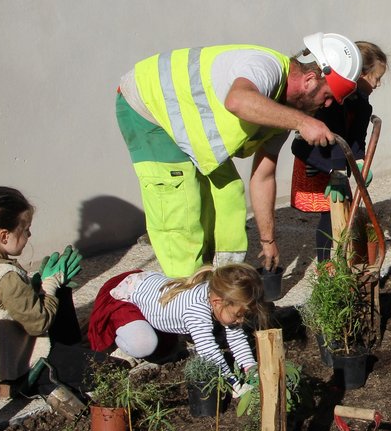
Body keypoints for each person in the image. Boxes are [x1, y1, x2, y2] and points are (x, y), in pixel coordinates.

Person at [115, 34, 363, 278]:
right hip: (148, 107)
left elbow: (263, 177)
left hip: (184, 123)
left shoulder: (283, 115)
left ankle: (224, 284)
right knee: (182, 209)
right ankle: (188, 296)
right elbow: (238, 100)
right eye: (328, 96)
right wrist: (303, 122)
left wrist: (268, 241)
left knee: (230, 194)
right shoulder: (265, 67)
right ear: (310, 80)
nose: (328, 105)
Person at [0, 186, 91, 415]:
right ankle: (35, 383)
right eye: (25, 229)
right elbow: (39, 323)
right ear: (4, 236)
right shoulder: (6, 277)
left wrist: (36, 285)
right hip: (11, 368)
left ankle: (65, 354)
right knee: (106, 369)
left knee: (58, 291)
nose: (29, 235)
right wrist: (49, 284)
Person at [290, 42, 388, 261]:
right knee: (329, 210)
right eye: (377, 78)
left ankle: (343, 258)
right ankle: (326, 264)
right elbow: (331, 134)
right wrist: (338, 171)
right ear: (361, 75)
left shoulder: (363, 104)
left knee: (340, 209)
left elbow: (356, 136)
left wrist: (360, 161)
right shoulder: (334, 99)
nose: (378, 84)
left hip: (336, 160)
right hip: (316, 157)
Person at [87, 264, 265, 380]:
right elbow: (209, 353)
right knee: (144, 345)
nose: (241, 320)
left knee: (163, 347)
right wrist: (234, 383)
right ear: (217, 302)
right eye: (238, 315)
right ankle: (123, 343)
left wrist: (252, 371)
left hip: (147, 289)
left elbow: (237, 339)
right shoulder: (196, 310)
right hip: (124, 293)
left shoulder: (216, 293)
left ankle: (144, 328)